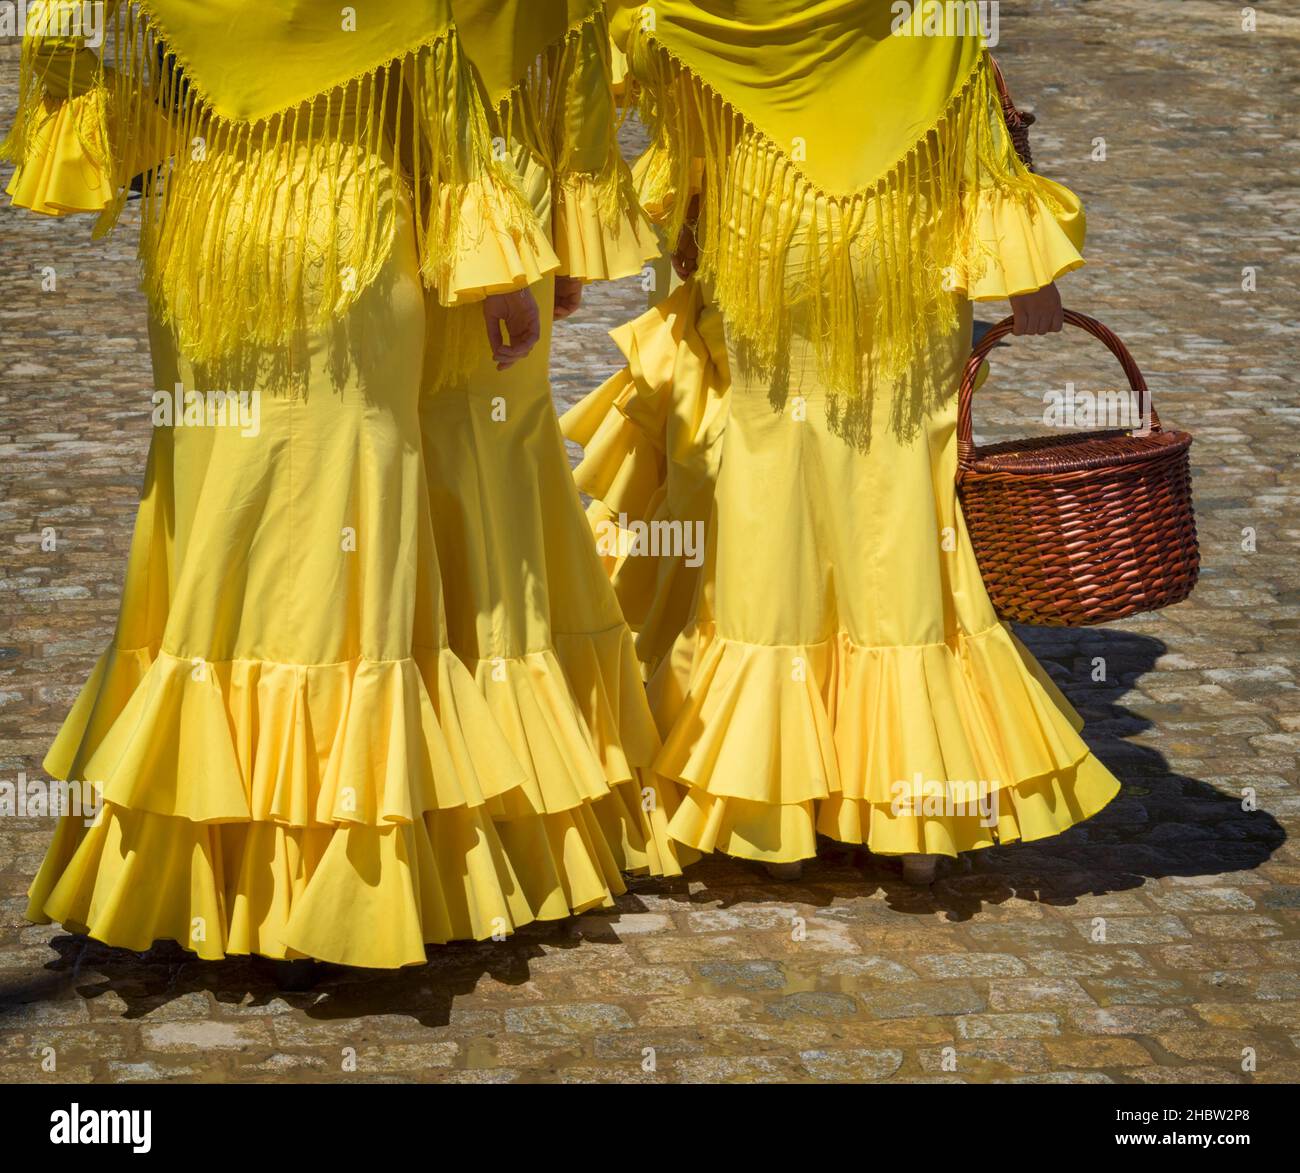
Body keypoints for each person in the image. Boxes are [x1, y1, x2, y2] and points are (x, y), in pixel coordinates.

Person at [4, 0, 686, 982]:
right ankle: (342, 859)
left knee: (219, 521)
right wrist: (502, 267)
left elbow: (63, 23)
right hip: (357, 231)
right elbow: (443, 78)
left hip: (206, 227)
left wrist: (101, 119)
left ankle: (217, 862)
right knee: (348, 523)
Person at [565, 0, 1119, 885]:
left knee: (774, 501)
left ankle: (771, 796)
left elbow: (643, 48)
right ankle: (912, 801)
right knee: (901, 499)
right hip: (904, 249)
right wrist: (1026, 269)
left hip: (767, 241)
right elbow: (970, 103)